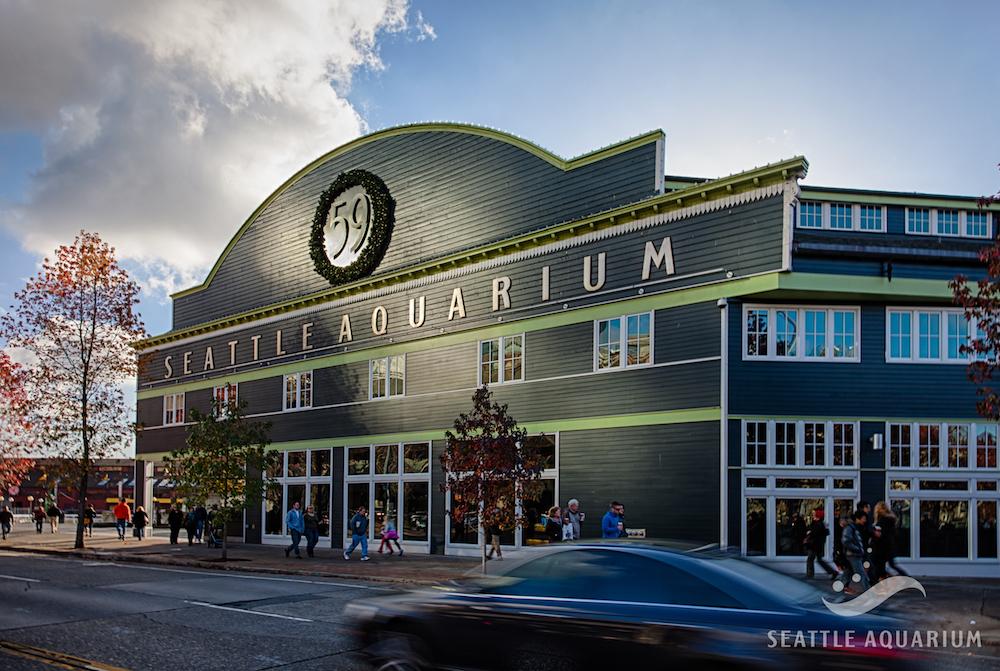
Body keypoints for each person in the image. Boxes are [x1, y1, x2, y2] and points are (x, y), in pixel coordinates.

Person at [873, 501, 908, 578]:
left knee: (879, 564)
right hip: (889, 546)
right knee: (889, 564)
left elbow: (881, 534)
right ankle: (904, 577)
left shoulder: (882, 520)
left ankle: (880, 579)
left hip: (883, 547)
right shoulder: (890, 520)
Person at [839, 509, 871, 592]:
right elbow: (846, 541)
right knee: (861, 572)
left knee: (848, 572)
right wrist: (857, 549)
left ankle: (840, 586)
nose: (865, 520)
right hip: (853, 554)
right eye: (863, 518)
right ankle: (868, 590)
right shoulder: (850, 527)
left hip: (852, 554)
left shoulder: (853, 527)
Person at [804, 509, 837, 580]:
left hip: (814, 545)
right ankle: (832, 572)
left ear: (817, 515)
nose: (813, 515)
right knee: (819, 560)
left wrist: (809, 533)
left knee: (810, 559)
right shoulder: (820, 524)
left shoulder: (818, 524)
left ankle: (810, 575)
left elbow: (814, 533)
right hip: (818, 545)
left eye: (814, 514)